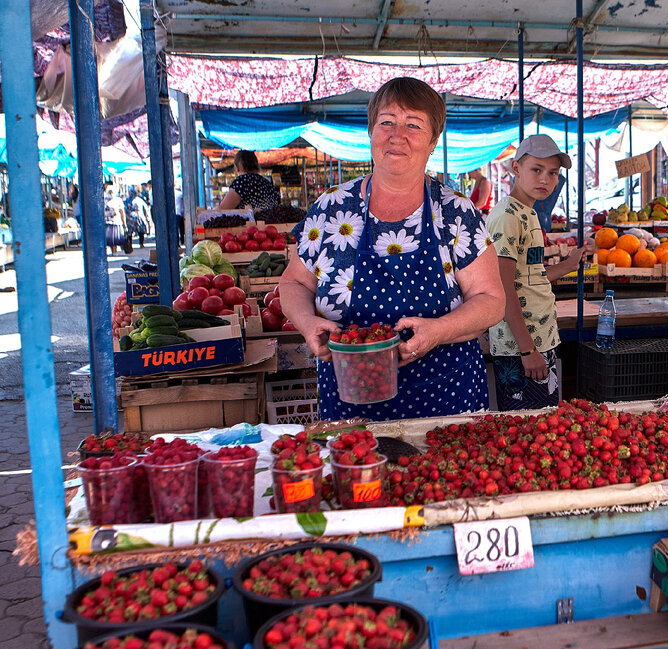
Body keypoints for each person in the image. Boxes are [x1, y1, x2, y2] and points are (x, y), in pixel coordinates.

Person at [278, 77, 505, 421]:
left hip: (444, 400)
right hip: (349, 404)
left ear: (432, 142)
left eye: (413, 125)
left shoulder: (456, 211)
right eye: (386, 122)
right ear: (371, 132)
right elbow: (294, 283)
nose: (397, 135)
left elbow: (491, 300)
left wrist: (437, 331)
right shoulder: (331, 209)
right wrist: (307, 322)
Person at [486, 135, 589, 410]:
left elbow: (529, 276)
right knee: (529, 432)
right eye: (537, 169)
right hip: (520, 347)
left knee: (544, 424)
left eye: (552, 173)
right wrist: (527, 349)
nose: (545, 179)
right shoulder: (507, 216)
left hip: (540, 341)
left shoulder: (528, 213)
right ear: (516, 169)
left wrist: (568, 266)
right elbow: (503, 287)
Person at [217, 150, 281, 211]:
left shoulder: (241, 182)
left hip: (248, 221)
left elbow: (223, 210)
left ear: (237, 167)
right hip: (270, 221)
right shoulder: (268, 184)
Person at [103, 184, 128, 256]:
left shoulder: (118, 200)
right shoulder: (104, 200)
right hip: (108, 222)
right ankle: (113, 251)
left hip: (117, 222)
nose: (110, 193)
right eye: (109, 192)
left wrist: (124, 223)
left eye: (112, 192)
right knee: (110, 238)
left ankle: (119, 250)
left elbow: (122, 212)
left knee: (117, 238)